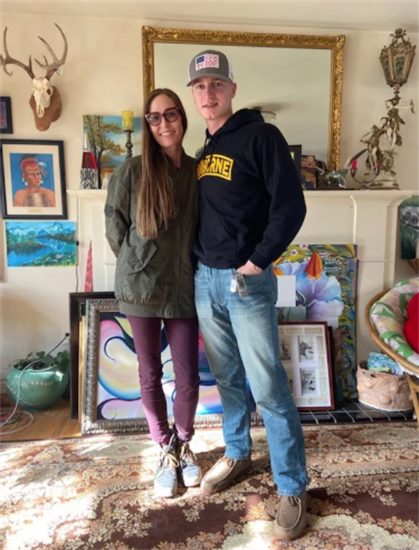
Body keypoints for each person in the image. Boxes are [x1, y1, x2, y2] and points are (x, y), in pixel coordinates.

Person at [187, 50, 308, 540]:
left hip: (246, 280)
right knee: (228, 378)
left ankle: (292, 485)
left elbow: (290, 206)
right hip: (206, 280)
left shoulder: (262, 136)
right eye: (200, 86)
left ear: (232, 89)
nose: (208, 93)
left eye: (217, 83)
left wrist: (258, 260)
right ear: (194, 95)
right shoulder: (204, 150)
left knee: (268, 385)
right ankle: (238, 452)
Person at [104, 88, 201, 499]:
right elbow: (115, 226)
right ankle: (164, 449)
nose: (164, 124)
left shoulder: (198, 172)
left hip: (185, 286)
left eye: (171, 114)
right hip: (140, 287)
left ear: (183, 117)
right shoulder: (133, 170)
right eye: (154, 117)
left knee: (188, 375)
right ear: (147, 124)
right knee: (150, 374)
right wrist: (136, 261)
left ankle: (184, 442)